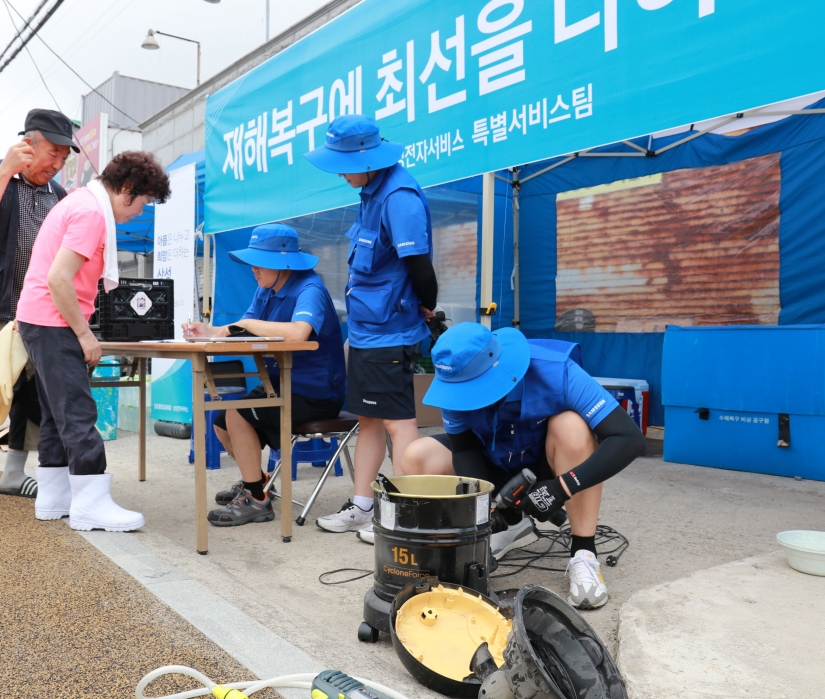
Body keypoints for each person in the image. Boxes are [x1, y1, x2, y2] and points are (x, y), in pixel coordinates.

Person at [404, 323, 646, 609]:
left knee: (572, 427)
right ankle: (510, 526)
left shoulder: (557, 371)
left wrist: (561, 487)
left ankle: (584, 553)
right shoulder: (457, 378)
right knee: (416, 455)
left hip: (548, 465)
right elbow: (465, 448)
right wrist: (485, 509)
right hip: (492, 461)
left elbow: (628, 439)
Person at [16, 151, 170, 531]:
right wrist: (85, 335)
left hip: (43, 319)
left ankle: (54, 497)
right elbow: (59, 279)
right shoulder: (90, 213)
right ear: (127, 190)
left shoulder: (81, 203)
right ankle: (91, 505)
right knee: (78, 414)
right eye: (144, 202)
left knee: (58, 413)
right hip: (55, 322)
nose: (139, 212)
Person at [304, 114, 438, 534]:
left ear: (367, 158)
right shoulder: (370, 191)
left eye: (343, 164)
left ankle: (405, 514)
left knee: (400, 423)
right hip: (365, 331)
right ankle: (364, 504)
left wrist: (427, 307)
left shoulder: (399, 196)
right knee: (368, 419)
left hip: (391, 332)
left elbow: (420, 265)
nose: (340, 173)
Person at [182, 225, 347, 527]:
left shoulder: (310, 289)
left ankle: (257, 500)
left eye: (258, 262)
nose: (253, 269)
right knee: (221, 423)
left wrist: (250, 324)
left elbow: (299, 332)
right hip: (281, 384)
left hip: (316, 394)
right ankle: (257, 481)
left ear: (282, 263)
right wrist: (210, 332)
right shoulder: (266, 289)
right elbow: (244, 325)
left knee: (236, 414)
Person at [0, 109, 77, 509]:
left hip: (42, 313)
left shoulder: (59, 195)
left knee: (33, 394)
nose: (57, 165)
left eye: (64, 158)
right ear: (28, 143)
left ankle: (13, 474)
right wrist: (5, 169)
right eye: (52, 154)